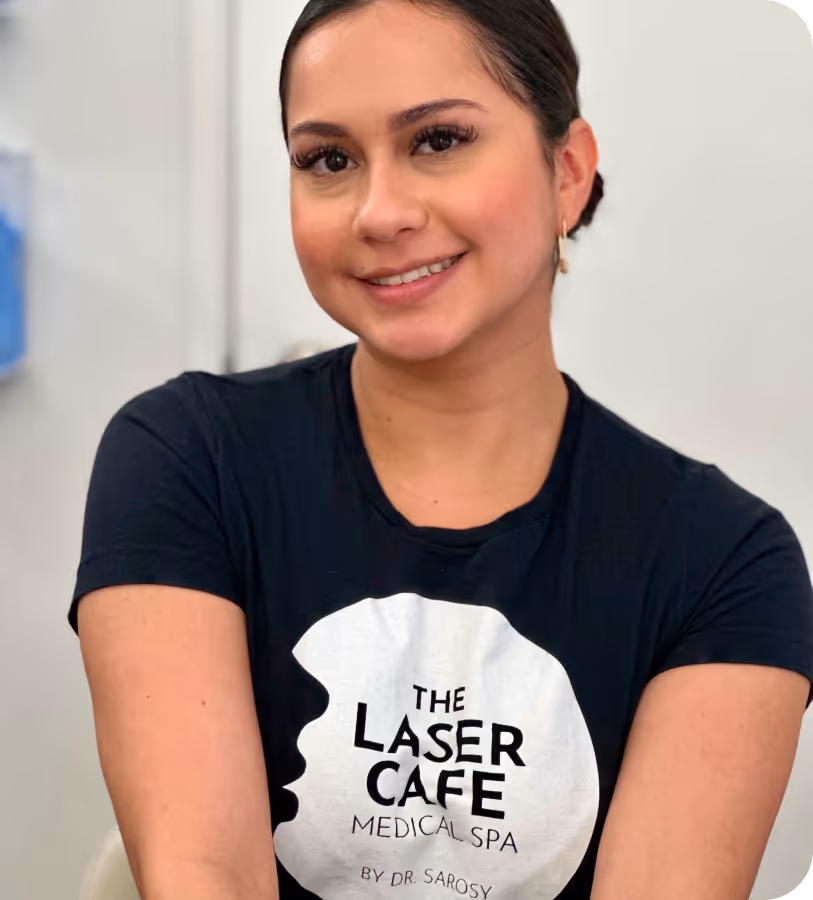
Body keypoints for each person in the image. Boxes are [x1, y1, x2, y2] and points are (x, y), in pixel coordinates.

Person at [68, 2, 813, 899]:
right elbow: (204, 876)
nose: (379, 213)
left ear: (567, 172)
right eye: (328, 160)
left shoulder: (722, 558)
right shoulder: (188, 459)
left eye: (438, 140)